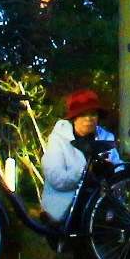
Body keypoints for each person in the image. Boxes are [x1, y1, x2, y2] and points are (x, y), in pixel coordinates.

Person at [39, 90, 116, 225]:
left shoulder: (107, 139)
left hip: (101, 205)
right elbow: (56, 178)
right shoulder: (59, 139)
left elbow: (120, 174)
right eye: (83, 114)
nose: (88, 119)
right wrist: (86, 171)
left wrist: (109, 172)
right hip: (64, 210)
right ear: (74, 118)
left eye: (93, 114)